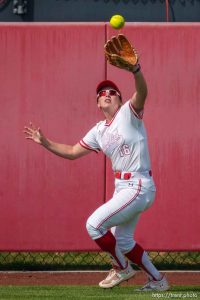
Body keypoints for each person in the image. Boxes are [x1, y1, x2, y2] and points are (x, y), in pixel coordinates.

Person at [24, 34, 170, 292]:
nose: (107, 94)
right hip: (123, 188)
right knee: (123, 240)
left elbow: (142, 93)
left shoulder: (129, 113)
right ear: (97, 102)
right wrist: (45, 142)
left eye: (112, 92)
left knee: (94, 224)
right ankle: (158, 281)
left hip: (138, 184)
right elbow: (71, 151)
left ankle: (122, 269)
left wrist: (135, 70)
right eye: (102, 93)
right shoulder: (98, 130)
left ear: (119, 98)